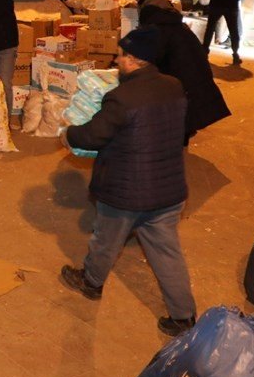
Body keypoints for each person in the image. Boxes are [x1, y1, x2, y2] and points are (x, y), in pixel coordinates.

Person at [59, 28, 198, 336]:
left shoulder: (121, 98)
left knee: (105, 241)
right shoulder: (174, 87)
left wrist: (68, 132)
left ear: (134, 60)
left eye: (120, 55)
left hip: (126, 191)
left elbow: (94, 135)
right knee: (167, 252)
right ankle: (183, 316)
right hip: (168, 189)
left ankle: (91, 282)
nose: (116, 59)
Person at [139, 1, 231, 142]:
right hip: (196, 72)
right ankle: (183, 137)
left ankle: (178, 142)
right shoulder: (177, 26)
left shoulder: (161, 31)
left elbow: (155, 57)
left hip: (186, 76)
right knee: (188, 110)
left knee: (182, 108)